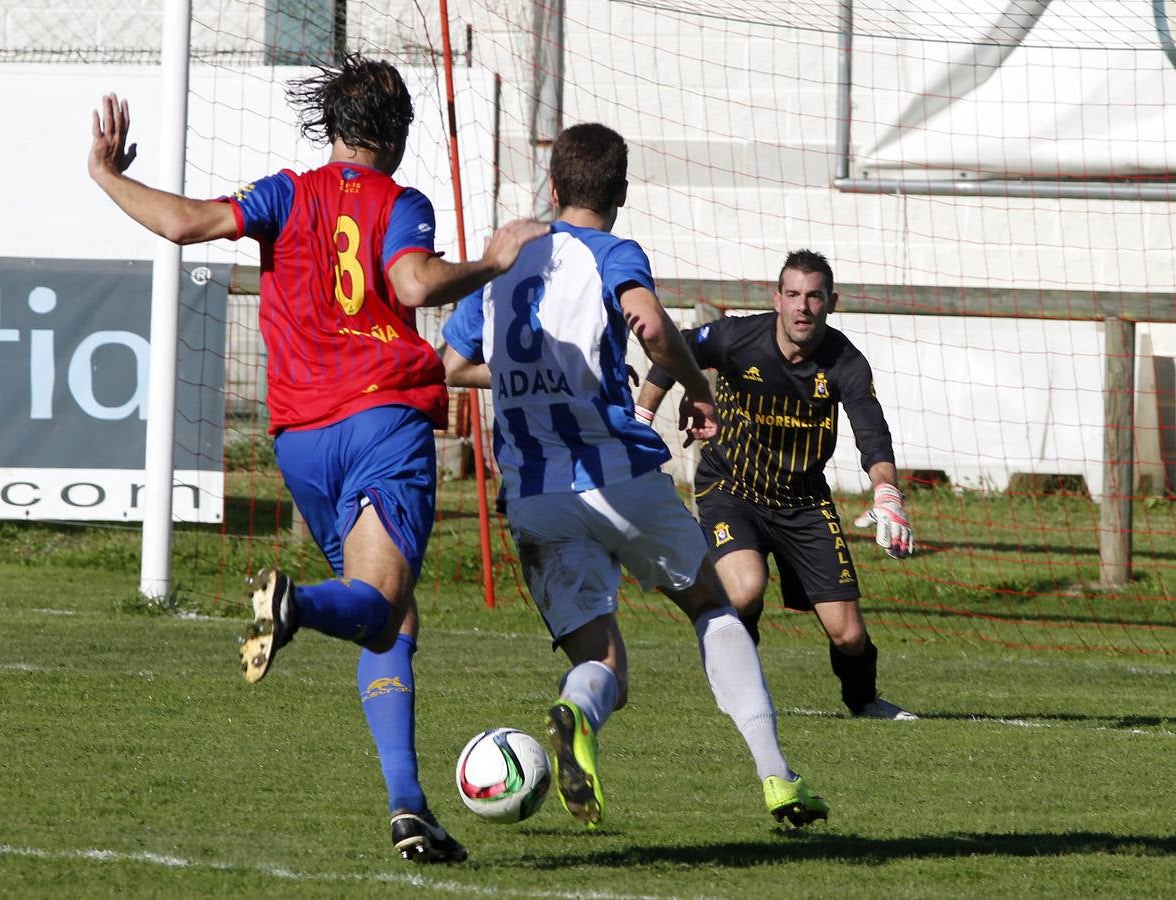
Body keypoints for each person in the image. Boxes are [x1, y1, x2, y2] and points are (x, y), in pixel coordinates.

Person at [88, 55, 547, 864]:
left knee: (390, 622)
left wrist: (103, 174)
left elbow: (184, 224)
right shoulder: (400, 202)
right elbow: (410, 285)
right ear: (397, 136)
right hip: (381, 422)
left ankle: (409, 809)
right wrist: (492, 262)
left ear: (330, 126)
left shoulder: (284, 193)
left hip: (300, 438)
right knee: (374, 606)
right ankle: (294, 605)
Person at [440, 123, 828, 830]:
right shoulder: (611, 251)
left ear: (552, 188)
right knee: (710, 603)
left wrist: (538, 380)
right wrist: (694, 387)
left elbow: (450, 365)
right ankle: (777, 777)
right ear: (620, 192)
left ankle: (575, 711)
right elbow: (648, 326)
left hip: (533, 494)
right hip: (617, 473)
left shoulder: (503, 263)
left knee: (603, 660)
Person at [634, 249, 918, 721]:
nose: (802, 307)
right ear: (777, 299)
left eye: (813, 296)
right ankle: (737, 680)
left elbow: (873, 436)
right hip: (732, 488)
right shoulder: (737, 337)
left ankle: (864, 701)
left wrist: (887, 492)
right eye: (792, 295)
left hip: (803, 501)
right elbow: (671, 349)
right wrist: (642, 421)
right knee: (744, 590)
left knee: (848, 634)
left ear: (832, 301)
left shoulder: (846, 362)